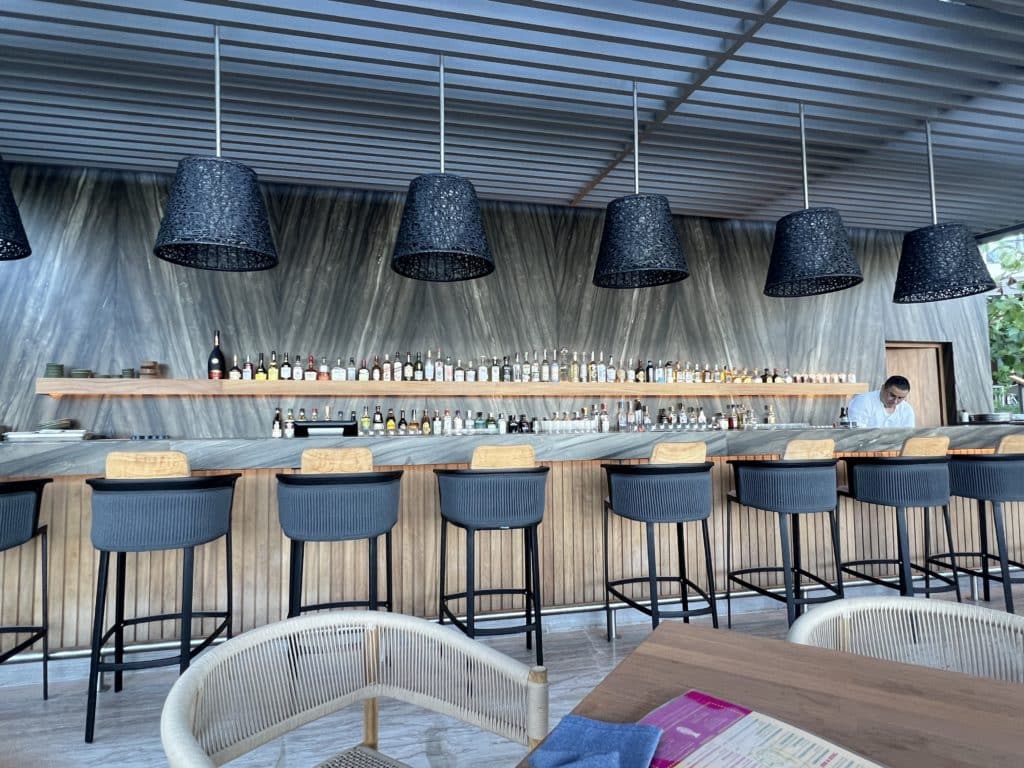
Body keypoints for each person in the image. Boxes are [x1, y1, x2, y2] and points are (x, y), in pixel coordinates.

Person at [846, 375, 915, 428]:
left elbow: (908, 436)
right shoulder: (862, 402)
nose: (895, 401)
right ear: (883, 388)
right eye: (892, 395)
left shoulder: (907, 409)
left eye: (900, 398)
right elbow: (856, 433)